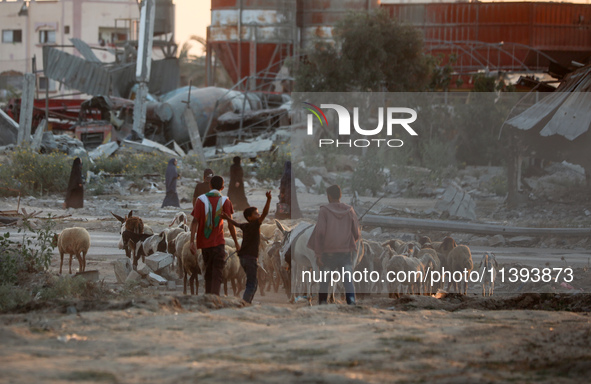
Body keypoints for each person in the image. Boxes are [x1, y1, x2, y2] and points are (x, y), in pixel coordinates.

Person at [307, 184, 360, 305]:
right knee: (348, 281)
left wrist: (318, 254)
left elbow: (320, 233)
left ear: (329, 196)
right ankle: (351, 304)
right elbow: (356, 234)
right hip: (346, 253)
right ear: (340, 195)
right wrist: (346, 242)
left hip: (328, 253)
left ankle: (322, 305)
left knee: (325, 281)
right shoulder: (350, 210)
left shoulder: (324, 210)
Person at [190, 175, 240, 295]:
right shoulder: (225, 201)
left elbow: (194, 221)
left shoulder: (200, 200)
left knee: (208, 271)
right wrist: (236, 243)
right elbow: (231, 224)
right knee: (217, 272)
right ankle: (215, 297)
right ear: (222, 187)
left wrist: (192, 241)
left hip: (204, 243)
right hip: (218, 242)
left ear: (210, 185)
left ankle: (208, 296)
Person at [221, 191, 272, 304]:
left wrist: (226, 218)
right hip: (250, 259)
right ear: (250, 217)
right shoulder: (255, 225)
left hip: (243, 258)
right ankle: (245, 303)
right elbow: (265, 213)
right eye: (256, 214)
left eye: (257, 214)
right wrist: (268, 199)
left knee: (254, 282)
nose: (258, 215)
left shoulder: (246, 226)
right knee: (251, 283)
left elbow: (236, 224)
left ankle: (248, 302)